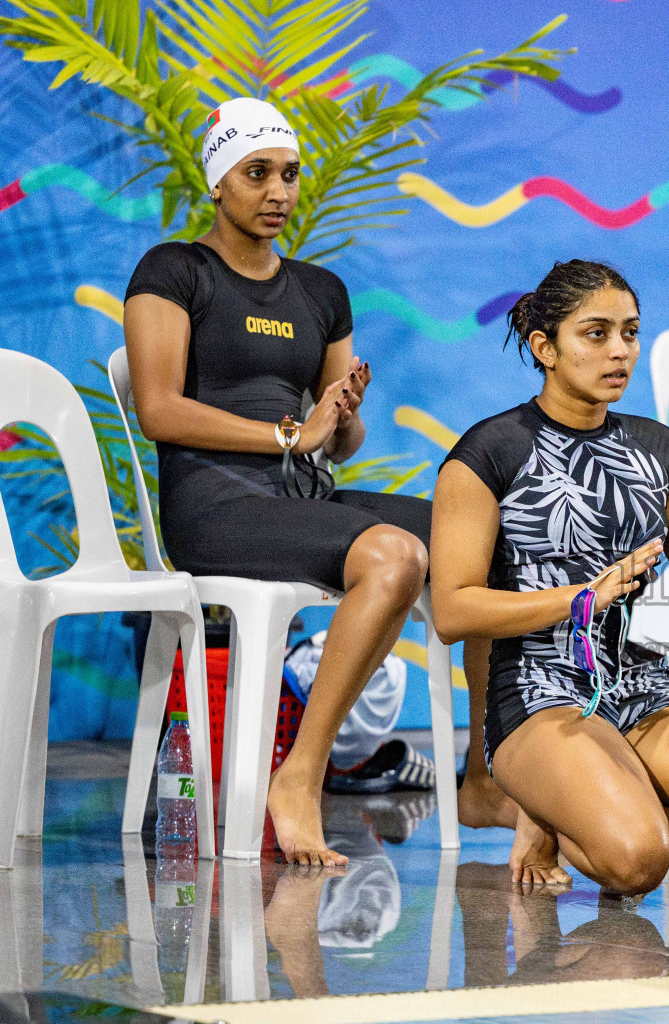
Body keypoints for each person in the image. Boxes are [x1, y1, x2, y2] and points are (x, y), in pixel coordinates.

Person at [125, 97, 429, 866]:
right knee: (391, 557)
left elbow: (342, 443)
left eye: (289, 174)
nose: (278, 192)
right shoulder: (174, 270)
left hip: (300, 496)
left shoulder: (321, 291)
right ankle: (302, 776)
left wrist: (342, 414)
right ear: (218, 182)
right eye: (256, 173)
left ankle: (492, 776)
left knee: (478, 539)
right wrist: (291, 433)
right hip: (215, 506)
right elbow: (159, 410)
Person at [430, 260, 669, 894]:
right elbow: (454, 610)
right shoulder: (488, 453)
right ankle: (556, 798)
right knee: (638, 861)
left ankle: (591, 792)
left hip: (644, 687)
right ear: (544, 348)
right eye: (596, 333)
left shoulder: (657, 448)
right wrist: (582, 597)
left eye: (631, 333)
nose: (620, 351)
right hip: (539, 693)